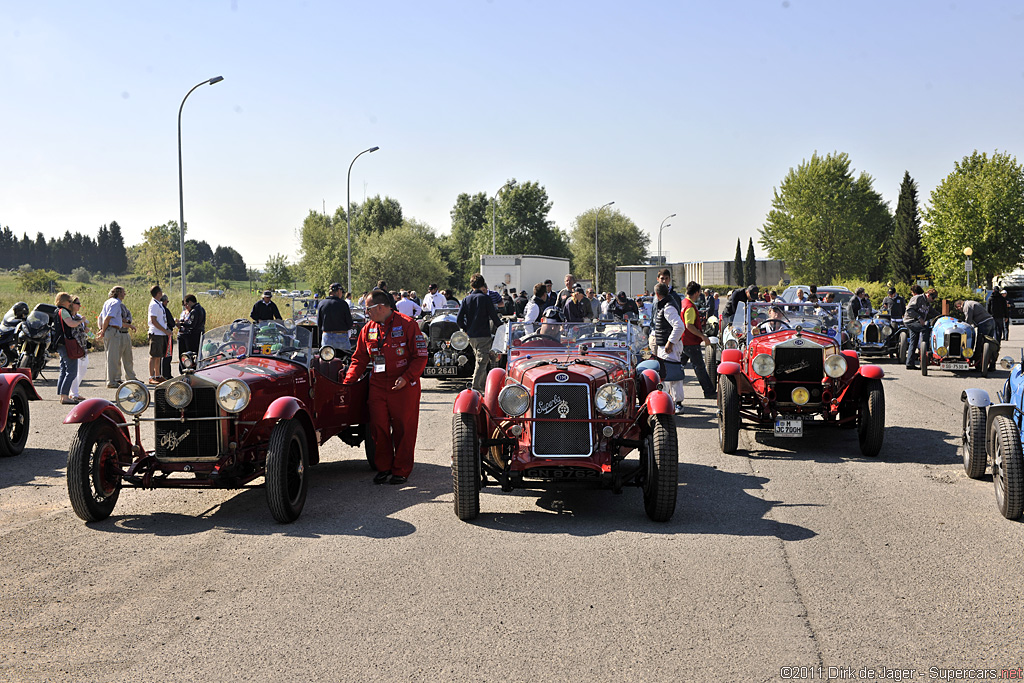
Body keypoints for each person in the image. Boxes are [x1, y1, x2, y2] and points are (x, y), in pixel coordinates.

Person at [343, 290, 427, 485]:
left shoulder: (407, 324)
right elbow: (359, 359)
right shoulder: (368, 329)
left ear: (380, 307)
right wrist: (347, 383)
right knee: (378, 427)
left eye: (368, 309)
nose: (366, 313)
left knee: (404, 429)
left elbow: (420, 356)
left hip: (403, 386)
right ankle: (384, 467)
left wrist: (407, 377)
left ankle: (401, 470)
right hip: (378, 385)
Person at [457, 273, 503, 393]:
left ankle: (484, 387)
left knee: (481, 360)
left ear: (472, 285)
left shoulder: (466, 299)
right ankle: (475, 389)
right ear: (482, 284)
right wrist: (502, 327)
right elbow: (494, 316)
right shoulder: (485, 298)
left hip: (471, 336)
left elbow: (459, 320)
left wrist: (466, 329)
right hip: (484, 334)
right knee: (482, 362)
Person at [678, 281, 716, 399]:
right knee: (700, 368)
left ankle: (668, 389)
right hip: (691, 342)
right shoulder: (690, 307)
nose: (700, 294)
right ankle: (709, 391)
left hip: (683, 341)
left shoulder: (683, 303)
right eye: (699, 292)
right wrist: (702, 336)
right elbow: (689, 325)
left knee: (678, 367)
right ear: (696, 292)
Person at [650, 282, 685, 411]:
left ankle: (677, 403)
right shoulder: (666, 305)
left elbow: (680, 326)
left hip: (669, 347)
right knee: (665, 375)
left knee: (673, 375)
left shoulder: (668, 307)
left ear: (657, 294)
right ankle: (669, 402)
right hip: (665, 346)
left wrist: (670, 342)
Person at [97, 285, 137, 388]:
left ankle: (112, 379)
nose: (125, 294)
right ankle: (112, 381)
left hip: (111, 330)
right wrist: (103, 331)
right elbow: (107, 318)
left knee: (111, 357)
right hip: (113, 330)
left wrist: (101, 329)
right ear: (118, 293)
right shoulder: (115, 303)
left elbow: (100, 318)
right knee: (113, 358)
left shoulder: (108, 302)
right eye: (123, 292)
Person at [54, 292, 86, 405]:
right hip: (66, 344)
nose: (70, 303)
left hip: (60, 344)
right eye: (69, 301)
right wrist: (81, 321)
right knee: (71, 371)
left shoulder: (57, 311)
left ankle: (62, 395)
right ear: (63, 301)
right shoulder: (63, 311)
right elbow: (71, 324)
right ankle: (65, 396)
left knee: (64, 370)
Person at [903, 286, 937, 369]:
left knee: (913, 342)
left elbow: (933, 312)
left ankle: (909, 364)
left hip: (916, 322)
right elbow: (909, 310)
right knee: (925, 329)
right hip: (910, 321)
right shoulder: (917, 298)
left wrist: (942, 316)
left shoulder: (928, 303)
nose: (934, 300)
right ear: (928, 295)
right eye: (933, 298)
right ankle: (925, 350)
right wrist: (919, 317)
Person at [147, 285, 172, 384]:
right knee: (153, 355)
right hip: (156, 333)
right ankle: (151, 376)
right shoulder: (153, 304)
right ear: (158, 293)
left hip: (161, 333)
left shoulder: (159, 304)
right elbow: (153, 320)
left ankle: (158, 375)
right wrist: (164, 330)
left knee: (159, 355)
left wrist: (166, 330)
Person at [318, 283, 354, 352]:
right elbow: (349, 323)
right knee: (345, 359)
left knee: (327, 360)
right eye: (341, 292)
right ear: (338, 291)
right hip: (341, 336)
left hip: (327, 336)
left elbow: (319, 323)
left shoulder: (322, 304)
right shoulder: (343, 304)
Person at [68, 296, 90, 402]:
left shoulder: (79, 317)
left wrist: (91, 334)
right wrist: (81, 321)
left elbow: (85, 330)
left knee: (83, 367)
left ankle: (74, 391)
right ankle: (74, 393)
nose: (79, 305)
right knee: (75, 369)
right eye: (77, 303)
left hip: (82, 346)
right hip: (73, 346)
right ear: (71, 304)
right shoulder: (69, 317)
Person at [178, 294, 206, 369]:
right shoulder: (201, 309)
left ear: (190, 302)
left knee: (191, 355)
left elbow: (191, 324)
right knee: (197, 353)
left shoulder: (194, 310)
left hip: (193, 336)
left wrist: (181, 323)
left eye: (186, 303)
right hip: (199, 334)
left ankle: (191, 369)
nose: (186, 306)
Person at [159, 294, 176, 380]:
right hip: (167, 334)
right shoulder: (165, 310)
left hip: (159, 334)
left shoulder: (158, 309)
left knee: (159, 356)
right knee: (167, 355)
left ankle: (159, 374)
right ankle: (166, 374)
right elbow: (172, 323)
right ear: (165, 301)